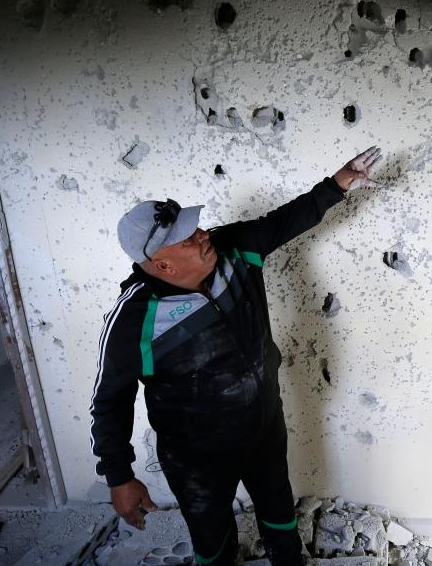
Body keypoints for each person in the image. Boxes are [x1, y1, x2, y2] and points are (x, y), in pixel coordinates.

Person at [89, 147, 384, 566]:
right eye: (188, 239)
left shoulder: (233, 249)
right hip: (196, 458)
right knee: (213, 542)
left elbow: (282, 222)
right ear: (163, 264)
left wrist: (336, 185)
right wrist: (119, 476)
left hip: (263, 425)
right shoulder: (135, 317)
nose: (203, 235)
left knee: (279, 513)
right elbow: (109, 401)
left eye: (196, 227)